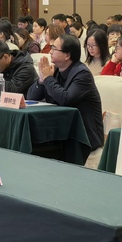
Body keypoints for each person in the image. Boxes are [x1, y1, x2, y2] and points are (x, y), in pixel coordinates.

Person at [27, 35, 104, 168]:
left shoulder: (82, 74)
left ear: (67, 55)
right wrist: (41, 79)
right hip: (61, 134)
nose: (50, 51)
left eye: (54, 48)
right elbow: (31, 97)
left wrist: (48, 79)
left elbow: (66, 99)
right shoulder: (54, 71)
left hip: (83, 139)